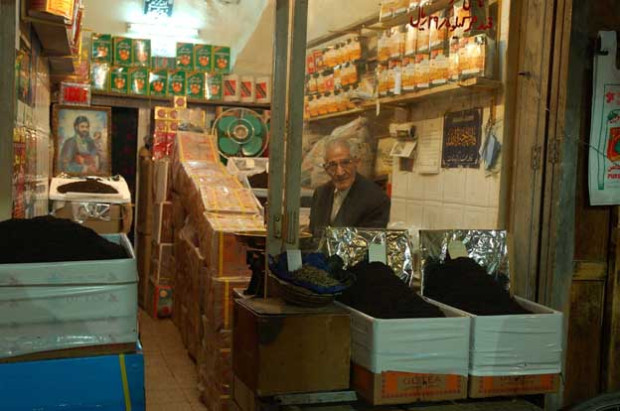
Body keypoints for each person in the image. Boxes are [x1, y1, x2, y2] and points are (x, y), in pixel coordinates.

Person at [309, 137, 390, 238]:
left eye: (345, 163)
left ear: (356, 162)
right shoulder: (321, 193)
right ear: (326, 168)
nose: (340, 172)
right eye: (332, 165)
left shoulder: (376, 199)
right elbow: (314, 235)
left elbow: (373, 244)